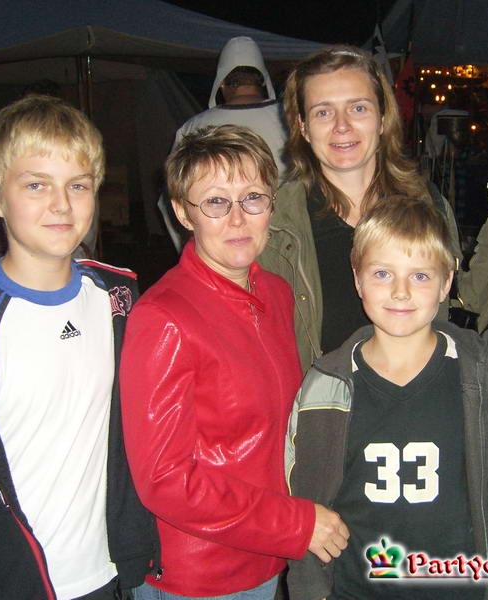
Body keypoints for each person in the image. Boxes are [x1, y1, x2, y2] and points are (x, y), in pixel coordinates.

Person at [0, 95, 158, 599]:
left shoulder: (120, 299)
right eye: (36, 184)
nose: (62, 204)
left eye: (78, 185)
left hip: (113, 577)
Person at [121, 125, 349, 600]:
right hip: (202, 575)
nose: (238, 218)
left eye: (253, 198)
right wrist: (295, 523)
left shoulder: (276, 293)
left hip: (268, 558)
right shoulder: (163, 317)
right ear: (183, 212)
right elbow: (165, 480)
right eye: (215, 202)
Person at [286, 195, 488, 600]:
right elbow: (306, 503)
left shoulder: (484, 380)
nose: (400, 292)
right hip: (356, 590)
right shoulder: (325, 387)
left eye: (420, 276)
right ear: (357, 278)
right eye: (382, 273)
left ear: (446, 282)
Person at [257, 45, 488, 373]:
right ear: (302, 126)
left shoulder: (425, 204)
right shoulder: (275, 222)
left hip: (416, 398)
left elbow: (460, 310)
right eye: (323, 112)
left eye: (358, 108)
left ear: (383, 117)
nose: (342, 125)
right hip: (322, 401)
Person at [160, 36, 290, 253]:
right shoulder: (291, 120)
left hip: (222, 243)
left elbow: (172, 194)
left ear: (221, 83)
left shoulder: (194, 126)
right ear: (262, 81)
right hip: (289, 243)